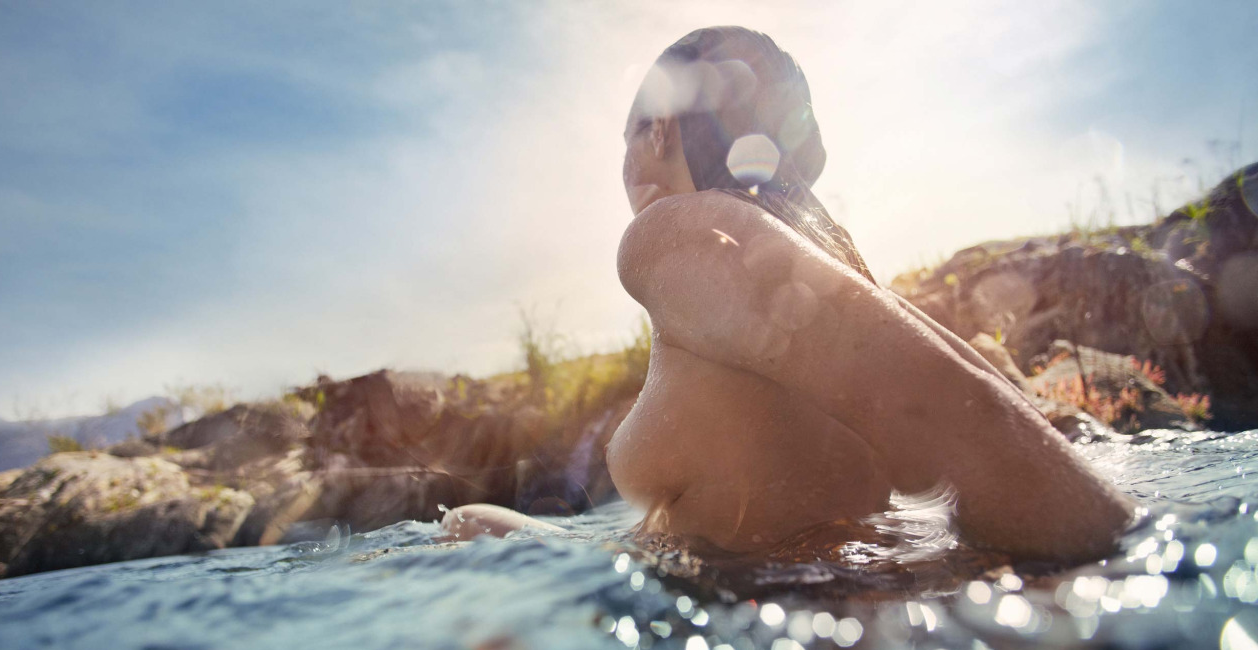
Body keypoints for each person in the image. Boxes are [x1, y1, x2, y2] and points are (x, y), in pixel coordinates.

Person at [443, 26, 1135, 563]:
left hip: (741, 626)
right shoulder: (833, 260)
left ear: (659, 128)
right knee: (477, 524)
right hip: (817, 584)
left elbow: (961, 415)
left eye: (631, 136)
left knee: (460, 527)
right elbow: (992, 404)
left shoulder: (675, 238)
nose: (628, 165)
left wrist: (1119, 561)